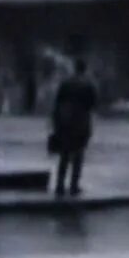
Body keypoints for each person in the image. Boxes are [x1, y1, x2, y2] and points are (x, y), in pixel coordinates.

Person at [50, 58, 97, 197]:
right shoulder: (88, 84)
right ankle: (73, 186)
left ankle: (59, 185)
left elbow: (57, 102)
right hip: (81, 123)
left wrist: (56, 122)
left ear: (74, 68)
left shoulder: (65, 83)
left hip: (65, 123)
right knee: (78, 156)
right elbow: (93, 103)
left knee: (64, 155)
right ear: (85, 69)